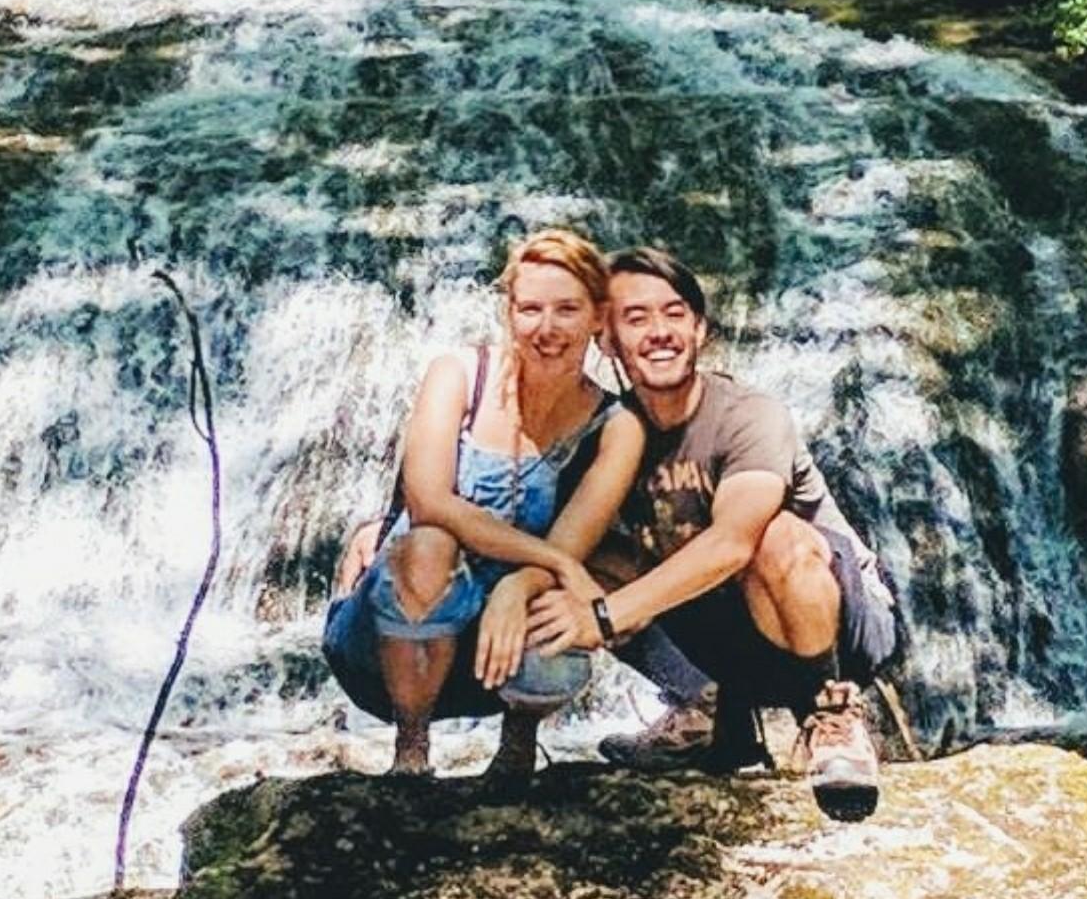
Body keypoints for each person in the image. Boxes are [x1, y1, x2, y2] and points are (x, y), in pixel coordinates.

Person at [526, 246, 899, 820]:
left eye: (674, 313)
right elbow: (529, 510)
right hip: (728, 634)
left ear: (700, 329)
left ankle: (832, 715)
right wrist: (391, 523)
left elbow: (733, 543)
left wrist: (602, 617)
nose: (659, 332)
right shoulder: (611, 432)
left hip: (841, 626)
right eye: (636, 318)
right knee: (579, 562)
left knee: (775, 537)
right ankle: (704, 704)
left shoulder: (748, 414)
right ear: (607, 341)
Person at [323, 229, 647, 778]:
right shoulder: (458, 375)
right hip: (384, 644)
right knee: (429, 546)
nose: (547, 329)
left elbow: (572, 545)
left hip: (499, 653)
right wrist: (559, 564)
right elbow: (429, 502)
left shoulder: (616, 428)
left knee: (555, 606)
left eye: (567, 310)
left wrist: (528, 582)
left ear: (598, 316)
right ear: (509, 312)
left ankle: (518, 740)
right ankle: (411, 750)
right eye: (530, 309)